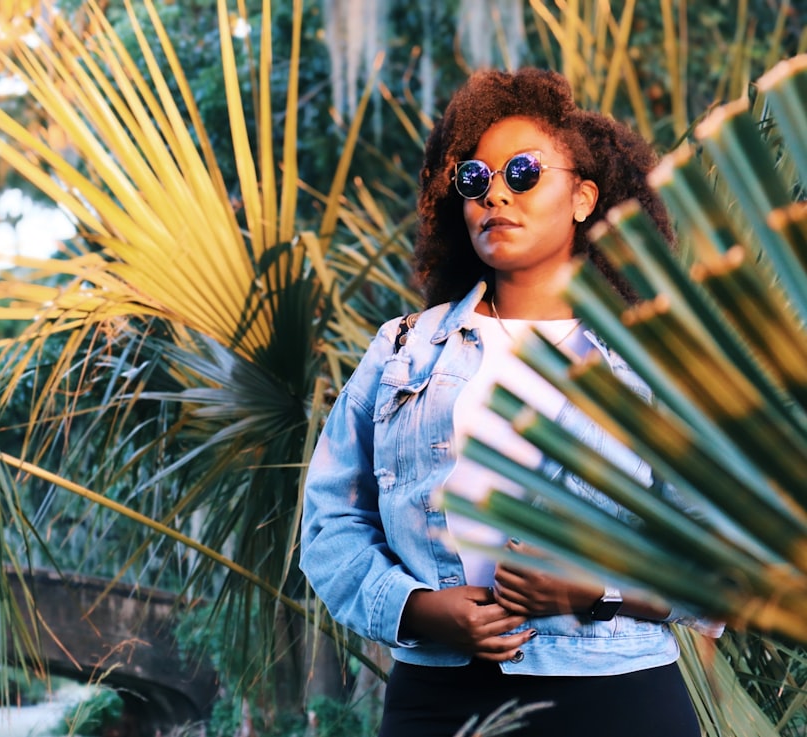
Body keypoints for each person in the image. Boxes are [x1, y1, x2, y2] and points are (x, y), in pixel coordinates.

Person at [299, 67, 722, 737]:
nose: (495, 192)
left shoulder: (655, 363)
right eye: (475, 179)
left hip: (616, 695)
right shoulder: (403, 350)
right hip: (438, 697)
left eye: (523, 172)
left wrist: (594, 592)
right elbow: (328, 524)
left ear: (583, 197)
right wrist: (417, 609)